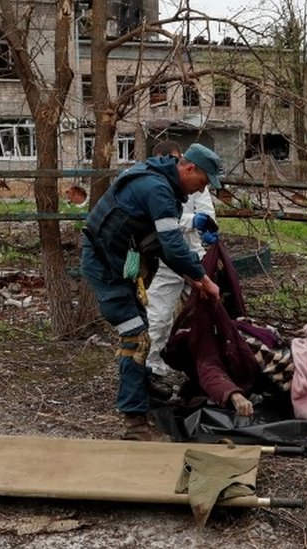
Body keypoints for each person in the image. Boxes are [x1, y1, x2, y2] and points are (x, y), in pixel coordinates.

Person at [81, 143, 222, 440]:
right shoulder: (156, 188)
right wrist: (202, 278)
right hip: (105, 265)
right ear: (188, 168)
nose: (201, 190)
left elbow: (167, 248)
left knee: (142, 326)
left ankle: (143, 385)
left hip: (121, 263)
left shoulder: (166, 186)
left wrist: (197, 279)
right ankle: (134, 423)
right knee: (136, 337)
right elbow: (172, 244)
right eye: (203, 182)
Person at [145, 140, 219, 394]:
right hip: (167, 259)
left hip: (194, 255)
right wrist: (192, 221)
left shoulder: (198, 181)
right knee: (159, 315)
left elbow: (206, 210)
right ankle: (150, 369)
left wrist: (208, 227)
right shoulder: (156, 184)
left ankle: (205, 368)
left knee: (206, 313)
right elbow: (164, 223)